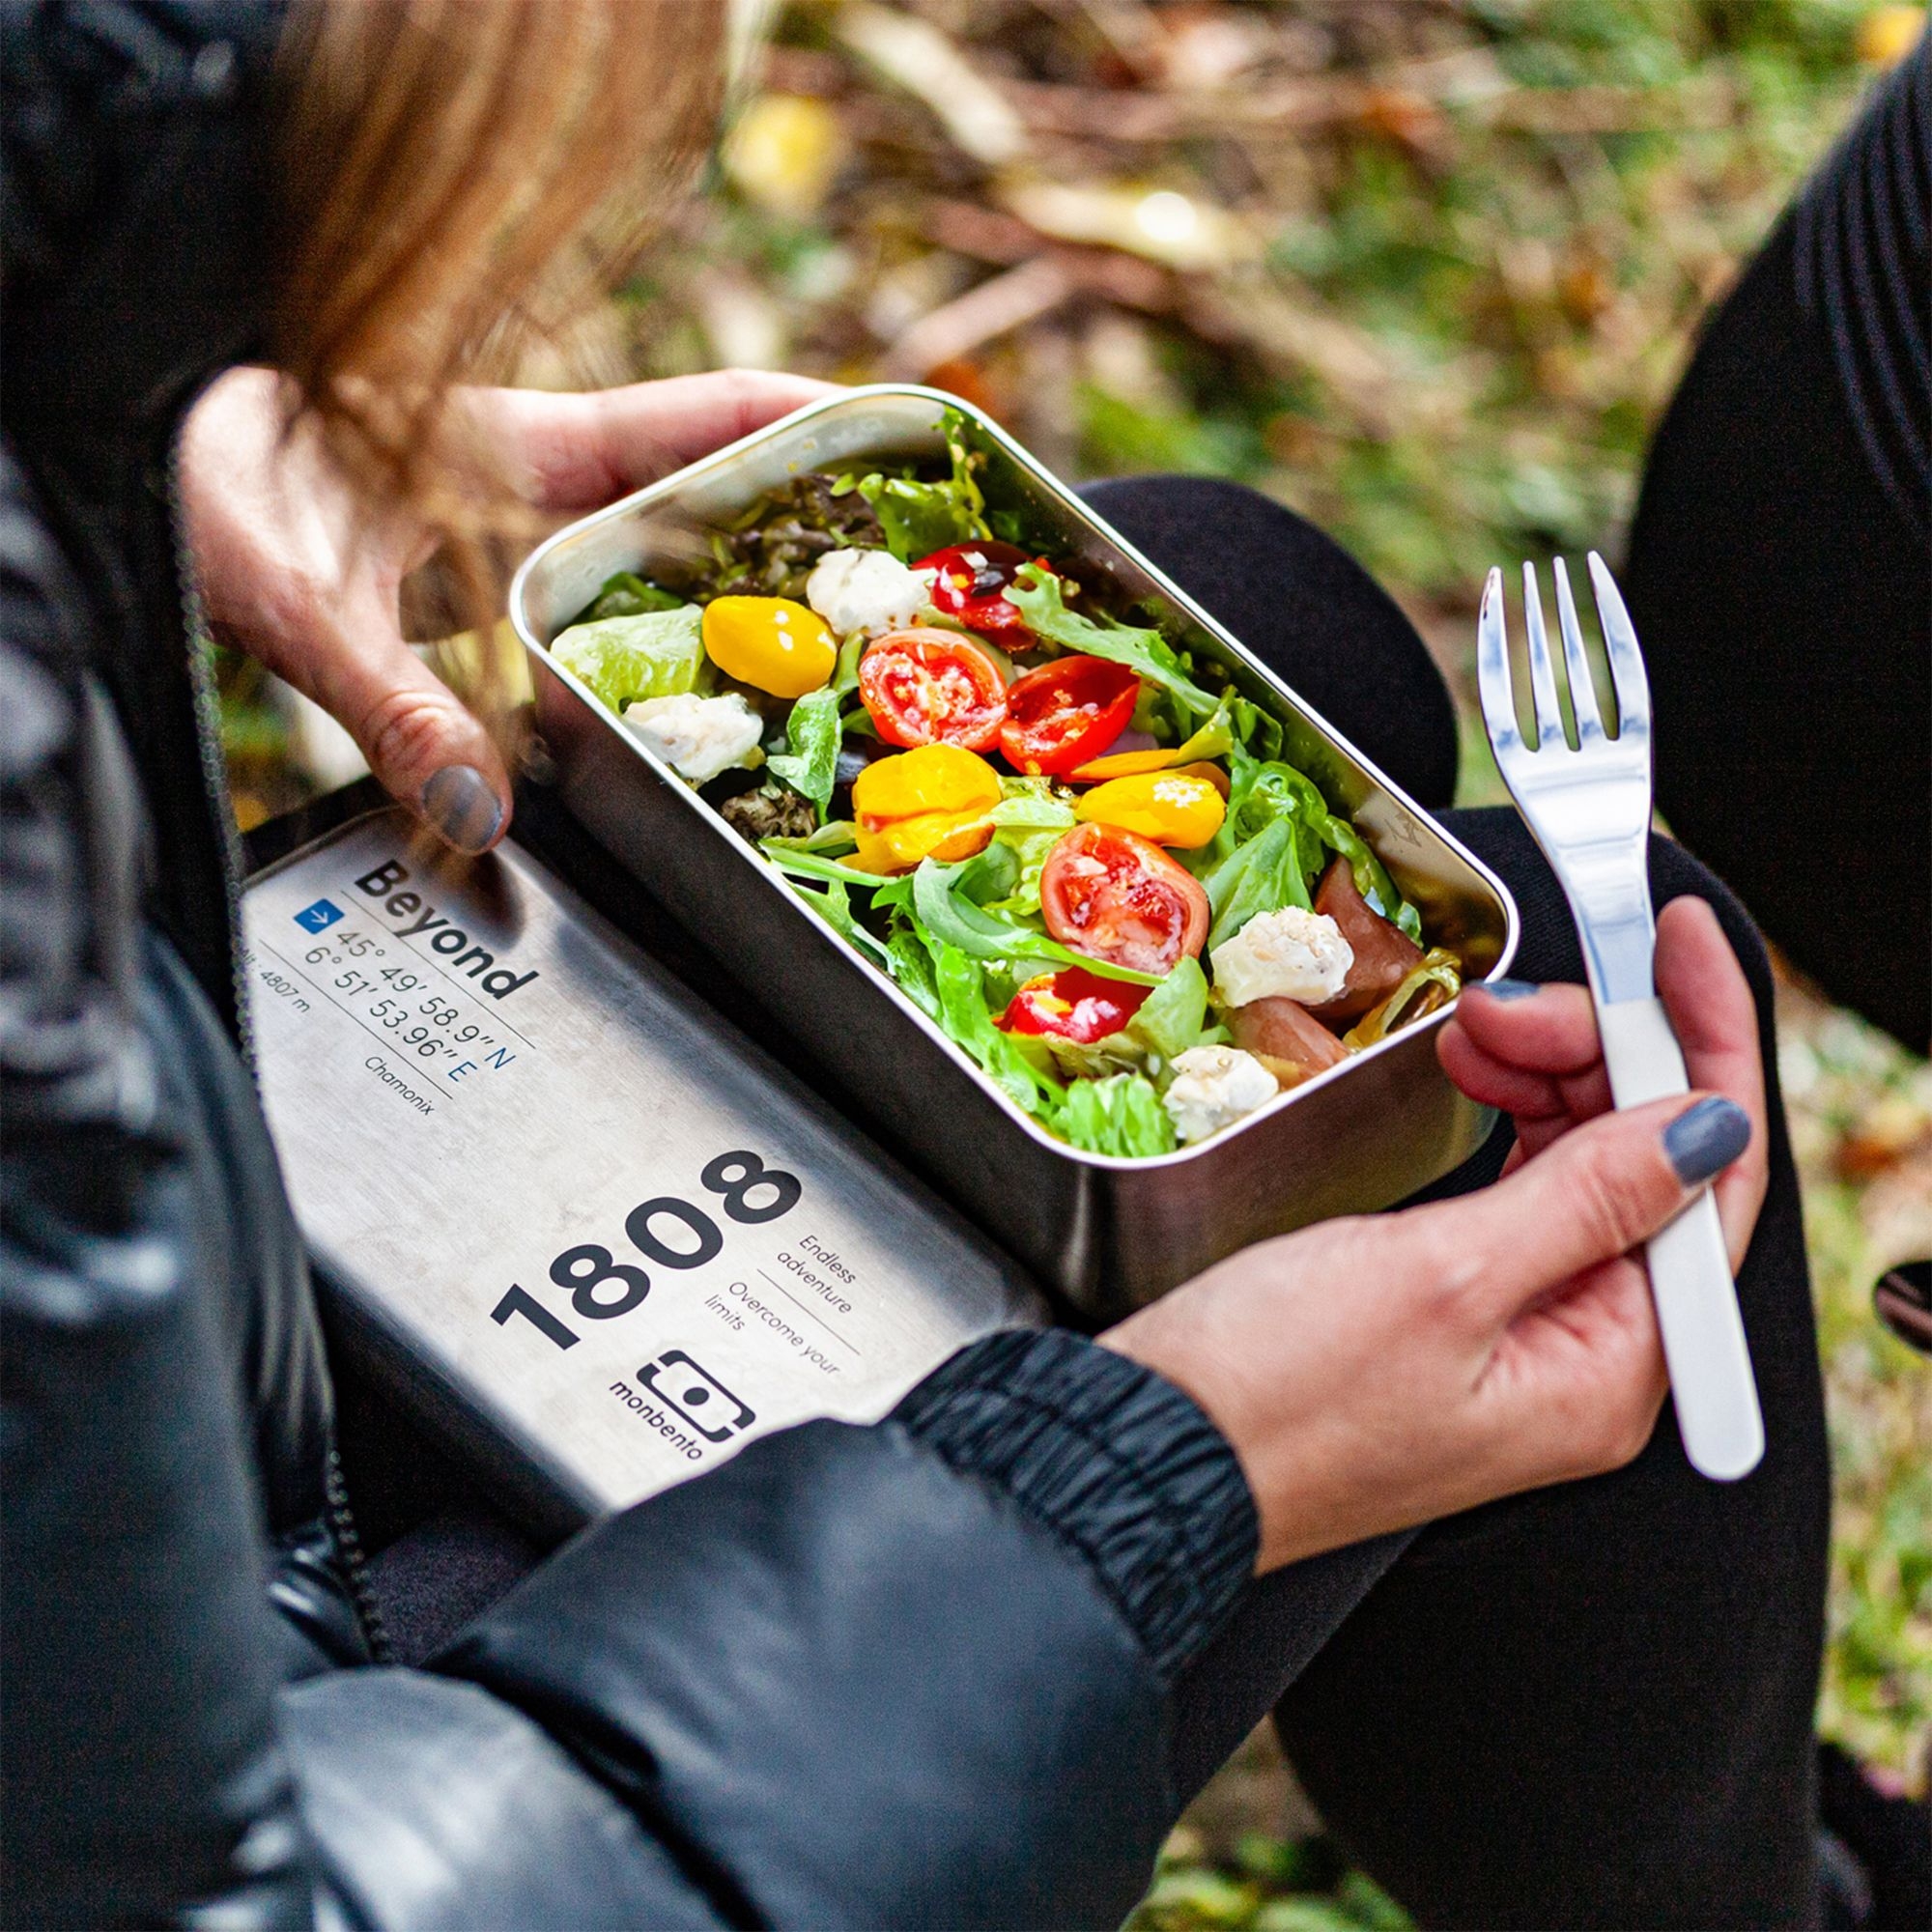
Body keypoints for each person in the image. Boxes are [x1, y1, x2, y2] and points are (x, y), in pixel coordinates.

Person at [1, 4, 1825, 1927]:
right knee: (1513, 1062)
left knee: (1263, 602)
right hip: (356, 1734)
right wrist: (1139, 1485)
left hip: (177, 1364)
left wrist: (146, 447)